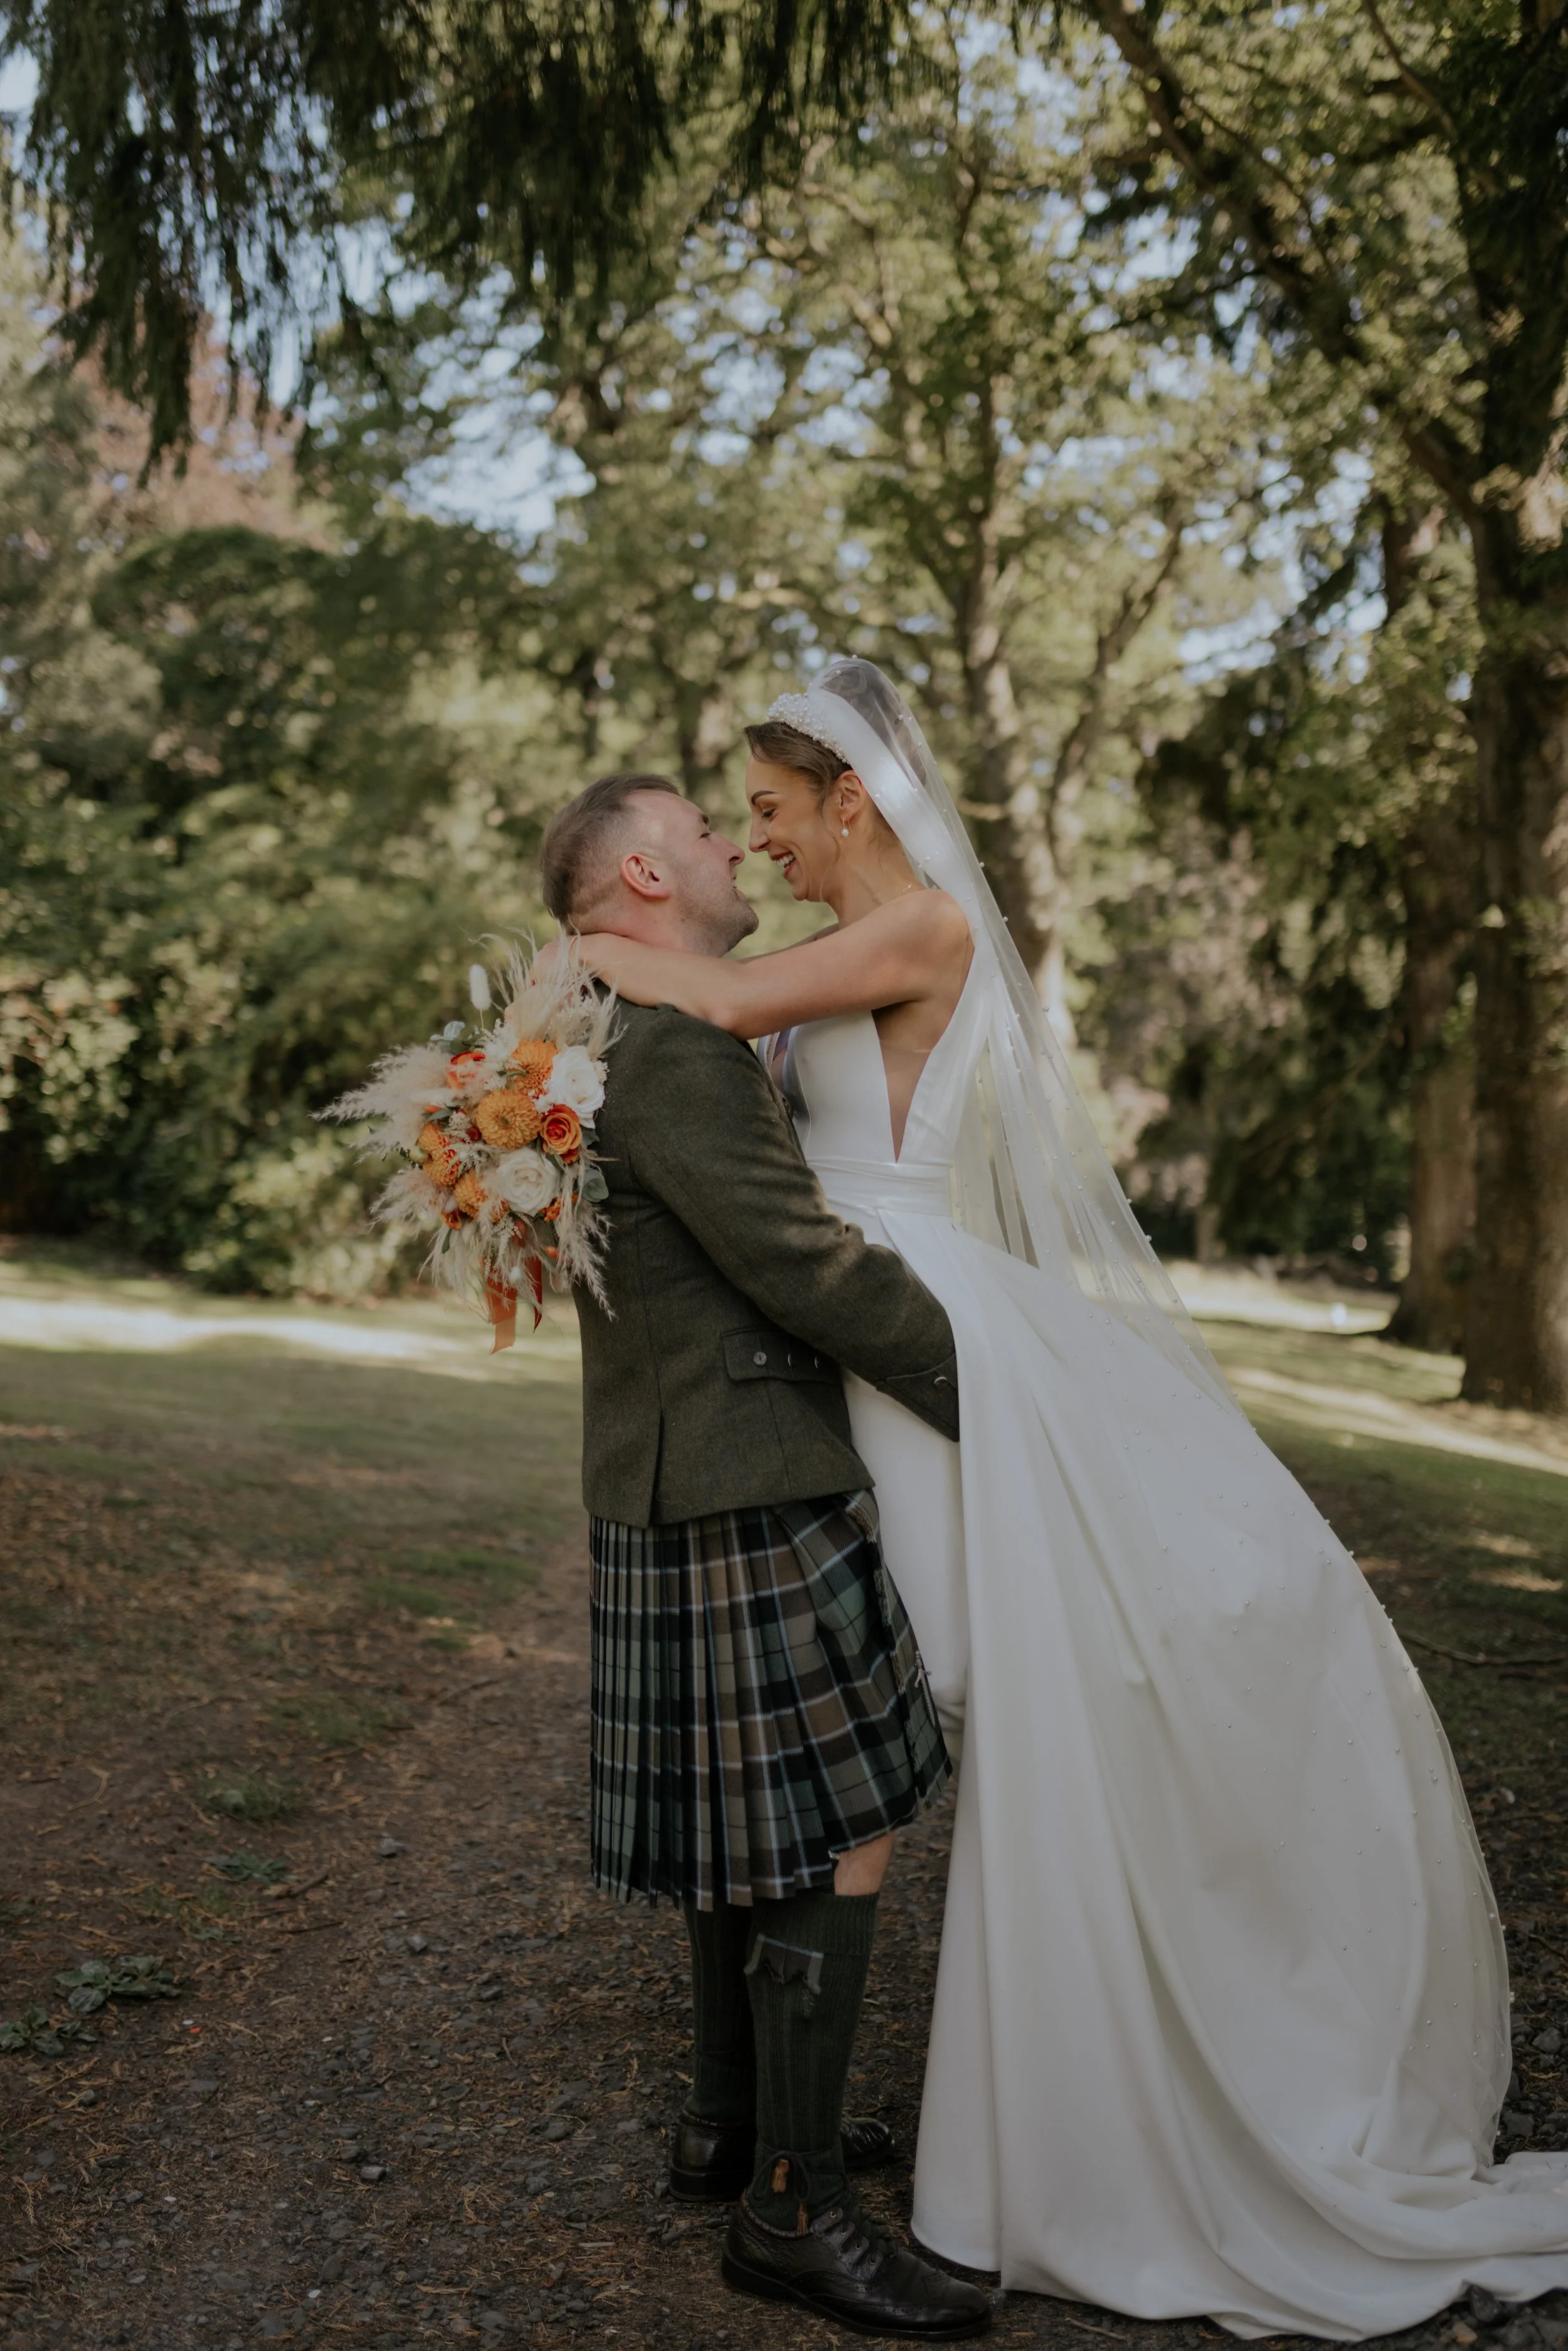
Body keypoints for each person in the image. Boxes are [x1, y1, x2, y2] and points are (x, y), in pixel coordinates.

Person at [563, 661, 1568, 2341]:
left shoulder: (924, 926)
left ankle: (934, 2121)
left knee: (907, 1713)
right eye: (731, 819)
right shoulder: (817, 963)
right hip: (858, 1349)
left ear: (850, 802)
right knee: (853, 1723)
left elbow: (715, 1014)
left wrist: (588, 955)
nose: (757, 835)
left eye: (768, 806)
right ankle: (775, 2143)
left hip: (921, 1331)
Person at [534, 770, 992, 2341]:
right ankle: (793, 2207)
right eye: (709, 831)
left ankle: (729, 2121)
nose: (737, 848)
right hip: (748, 1465)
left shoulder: (577, 1031)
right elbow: (797, 1263)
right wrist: (1002, 1388)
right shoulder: (678, 1044)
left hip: (660, 1462)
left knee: (743, 1815)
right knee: (844, 1808)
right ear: (648, 875)